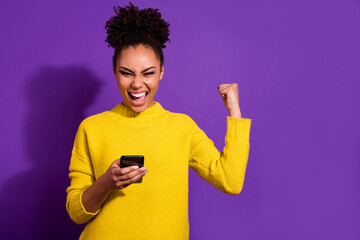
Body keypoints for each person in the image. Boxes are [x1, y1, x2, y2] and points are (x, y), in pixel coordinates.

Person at [66, 2, 252, 239]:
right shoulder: (91, 128)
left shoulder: (182, 127)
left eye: (148, 73)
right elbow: (76, 213)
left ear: (162, 71)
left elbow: (231, 181)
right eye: (126, 73)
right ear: (114, 71)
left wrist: (234, 110)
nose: (136, 84)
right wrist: (105, 183)